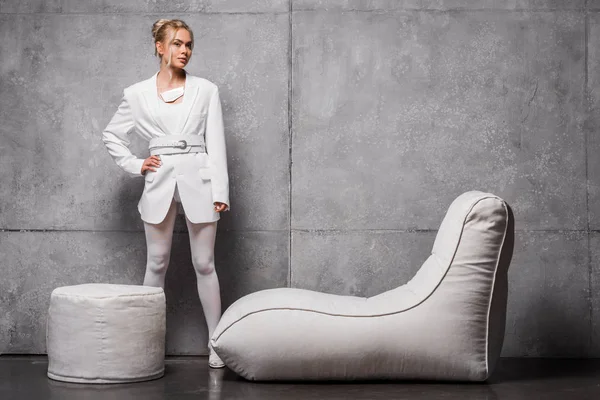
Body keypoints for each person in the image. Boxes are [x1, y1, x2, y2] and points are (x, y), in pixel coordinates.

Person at [101, 19, 229, 369]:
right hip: (159, 181)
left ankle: (216, 342)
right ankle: (145, 344)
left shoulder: (206, 89)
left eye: (188, 45)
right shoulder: (136, 94)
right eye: (176, 44)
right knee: (156, 263)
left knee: (204, 263)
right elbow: (112, 135)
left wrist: (221, 189)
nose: (184, 51)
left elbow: (216, 141)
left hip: (199, 179)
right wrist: (137, 163)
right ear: (160, 47)